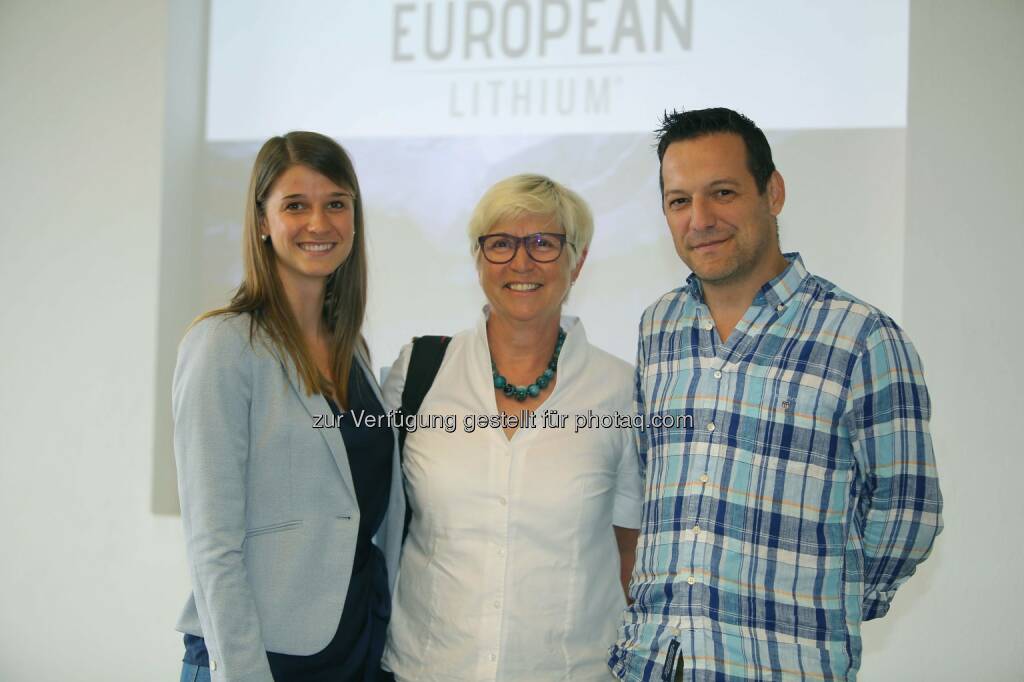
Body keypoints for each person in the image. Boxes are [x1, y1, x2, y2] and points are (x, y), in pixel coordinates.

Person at [609, 108, 943, 680]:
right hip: (654, 664)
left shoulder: (861, 338)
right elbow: (650, 481)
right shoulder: (657, 327)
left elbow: (909, 509)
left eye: (723, 192)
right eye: (679, 201)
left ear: (773, 192)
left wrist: (831, 601)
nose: (701, 219)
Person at [380, 174, 643, 681]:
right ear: (478, 260)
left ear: (578, 261)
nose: (521, 262)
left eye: (544, 243)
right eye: (501, 244)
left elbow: (629, 556)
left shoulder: (622, 392)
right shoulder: (418, 374)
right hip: (427, 669)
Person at [172, 131, 403, 682]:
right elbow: (213, 544)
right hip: (258, 656)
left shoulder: (357, 354)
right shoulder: (224, 346)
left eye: (336, 204)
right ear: (261, 221)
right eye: (295, 205)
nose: (319, 224)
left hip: (356, 647)